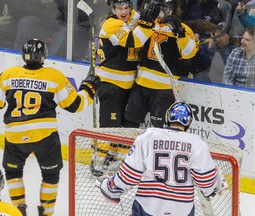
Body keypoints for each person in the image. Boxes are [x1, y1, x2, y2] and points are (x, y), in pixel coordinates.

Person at [0, 38, 101, 216]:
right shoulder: (54, 76)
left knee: (13, 171)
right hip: (44, 137)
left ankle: (19, 211)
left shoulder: (9, 74)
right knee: (51, 175)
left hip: (15, 137)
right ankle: (46, 213)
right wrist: (89, 89)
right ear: (43, 56)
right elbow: (75, 106)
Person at [100, 101, 227, 216]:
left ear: (168, 117)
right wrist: (214, 185)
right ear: (188, 122)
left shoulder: (148, 136)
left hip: (148, 206)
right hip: (182, 210)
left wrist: (111, 188)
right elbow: (206, 182)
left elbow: (130, 175)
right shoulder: (197, 143)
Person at [91, 0, 161, 176]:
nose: (123, 11)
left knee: (122, 127)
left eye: (126, 7)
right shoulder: (111, 24)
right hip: (111, 85)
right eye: (119, 8)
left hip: (128, 85)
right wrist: (146, 21)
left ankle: (112, 160)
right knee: (110, 127)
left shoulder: (130, 19)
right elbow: (133, 40)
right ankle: (97, 164)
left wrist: (153, 15)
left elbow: (151, 22)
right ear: (113, 9)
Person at [123, 1, 198, 129]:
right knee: (129, 124)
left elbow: (189, 53)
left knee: (160, 130)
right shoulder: (147, 23)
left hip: (165, 89)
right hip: (141, 84)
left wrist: (180, 33)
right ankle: (128, 149)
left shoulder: (183, 28)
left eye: (164, 8)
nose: (160, 11)